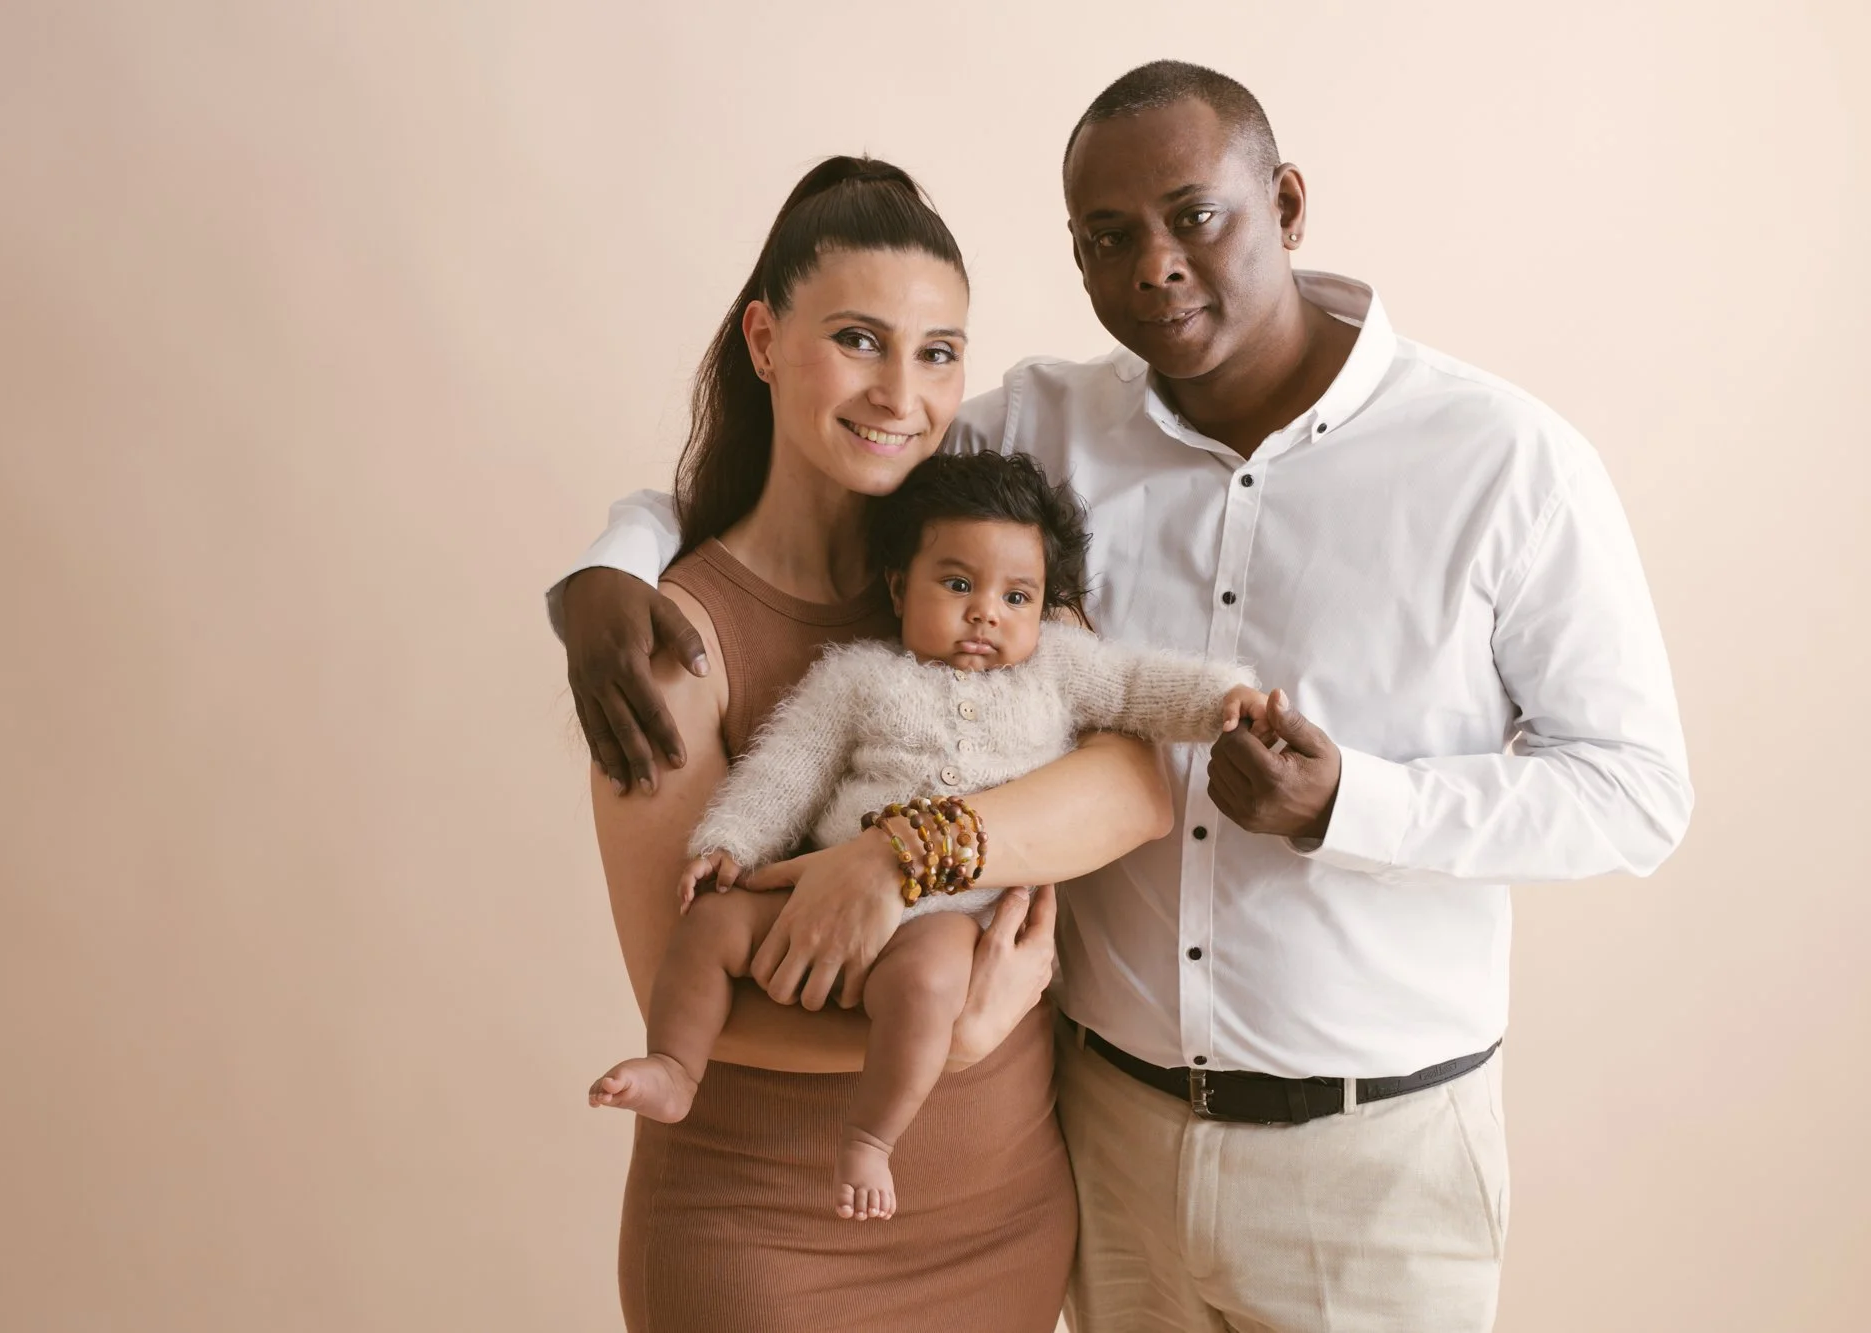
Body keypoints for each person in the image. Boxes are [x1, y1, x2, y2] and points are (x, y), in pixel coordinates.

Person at [555, 62, 1694, 1331]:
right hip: (1101, 1140)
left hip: (1365, 1161)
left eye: (1192, 214)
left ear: (1287, 203)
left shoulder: (1501, 461)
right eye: (1106, 238)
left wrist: (1351, 806)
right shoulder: (1037, 436)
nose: (1151, 265)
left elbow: (1635, 792)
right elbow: (845, 444)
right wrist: (615, 553)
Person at [581, 153, 1188, 1332]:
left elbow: (1132, 785)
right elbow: (682, 967)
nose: (900, 393)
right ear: (763, 340)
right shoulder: (670, 636)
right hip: (761, 1234)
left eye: (938, 352)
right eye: (857, 340)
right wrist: (958, 1030)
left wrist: (903, 855)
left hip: (1003, 1210)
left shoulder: (977, 578)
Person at [590, 450, 1264, 1223]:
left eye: (1017, 595)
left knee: (931, 986)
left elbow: (1140, 686)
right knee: (710, 922)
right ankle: (675, 1066)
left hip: (952, 917)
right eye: (957, 585)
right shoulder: (858, 677)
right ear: (896, 585)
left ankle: (872, 1137)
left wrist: (1225, 700)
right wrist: (731, 841)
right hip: (819, 891)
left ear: (1045, 607)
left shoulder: (1057, 667)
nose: (986, 612)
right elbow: (790, 768)